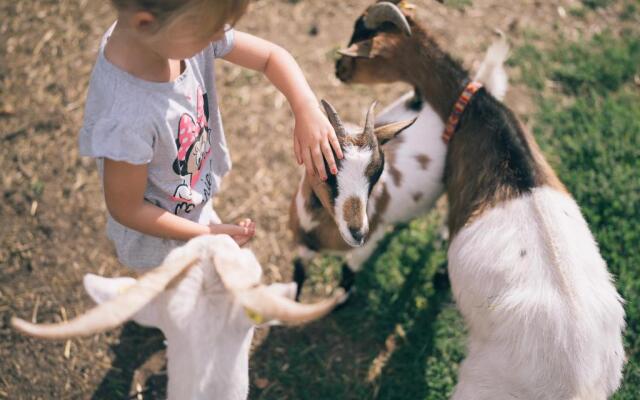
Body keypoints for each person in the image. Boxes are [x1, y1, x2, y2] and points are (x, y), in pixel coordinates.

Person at [79, 0, 343, 270]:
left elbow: (270, 57)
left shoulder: (174, 30)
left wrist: (305, 106)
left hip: (191, 206)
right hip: (160, 247)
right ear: (145, 23)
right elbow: (128, 210)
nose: (220, 36)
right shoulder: (126, 118)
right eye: (211, 31)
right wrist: (208, 236)